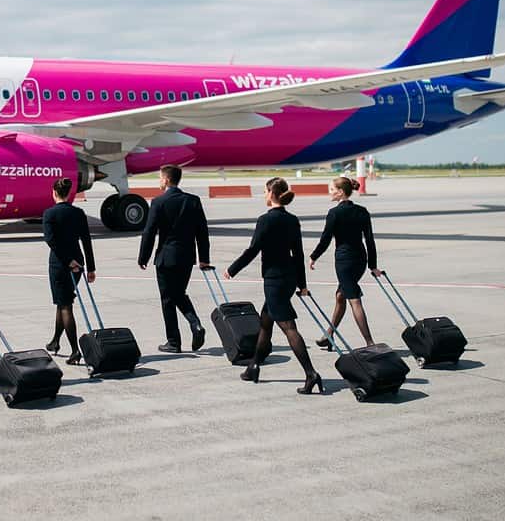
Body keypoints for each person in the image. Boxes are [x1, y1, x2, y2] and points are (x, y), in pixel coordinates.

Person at [225, 178, 322, 393]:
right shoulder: (292, 220)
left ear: (271, 193)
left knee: (288, 327)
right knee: (265, 322)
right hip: (288, 278)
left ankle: (311, 373)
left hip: (274, 280)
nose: (264, 195)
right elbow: (298, 254)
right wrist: (302, 284)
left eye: (265, 191)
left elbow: (253, 249)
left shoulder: (265, 220)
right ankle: (254, 366)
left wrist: (232, 269)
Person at [137, 164, 210, 354]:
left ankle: (174, 341)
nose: (159, 181)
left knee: (168, 300)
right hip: (186, 258)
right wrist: (204, 258)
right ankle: (195, 325)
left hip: (166, 258)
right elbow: (202, 232)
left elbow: (149, 232)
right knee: (178, 294)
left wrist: (143, 256)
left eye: (160, 178)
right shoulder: (193, 201)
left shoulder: (158, 202)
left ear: (167, 180)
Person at [309, 176, 379, 350]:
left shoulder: (334, 213)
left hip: (344, 261)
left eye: (332, 190)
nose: (330, 193)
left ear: (341, 192)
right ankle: (329, 335)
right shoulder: (362, 211)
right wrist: (372, 265)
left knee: (354, 299)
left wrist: (313, 256)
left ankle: (370, 343)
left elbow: (325, 239)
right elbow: (370, 240)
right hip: (360, 260)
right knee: (341, 296)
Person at [42, 177, 96, 365]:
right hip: (78, 264)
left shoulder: (50, 214)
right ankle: (55, 341)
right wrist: (90, 267)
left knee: (65, 305)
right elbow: (87, 240)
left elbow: (51, 240)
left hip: (60, 264)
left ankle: (75, 351)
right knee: (62, 301)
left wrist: (67, 261)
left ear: (55, 193)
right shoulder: (78, 213)